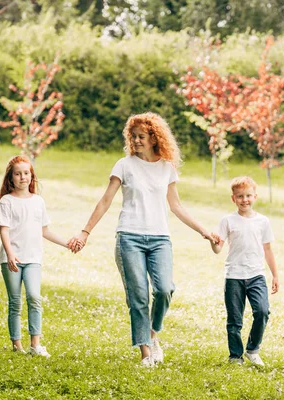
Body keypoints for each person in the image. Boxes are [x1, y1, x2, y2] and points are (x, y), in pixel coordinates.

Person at [69, 112, 216, 367]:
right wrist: (85, 231)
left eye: (141, 136)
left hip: (160, 238)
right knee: (138, 297)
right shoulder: (124, 165)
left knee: (164, 289)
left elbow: (176, 206)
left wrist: (203, 231)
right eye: (133, 136)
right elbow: (106, 200)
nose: (136, 141)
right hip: (130, 236)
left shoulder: (166, 168)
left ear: (154, 137)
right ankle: (146, 354)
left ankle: (152, 333)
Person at [0, 155, 69, 357]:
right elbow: (4, 230)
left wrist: (67, 243)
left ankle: (35, 345)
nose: (22, 177)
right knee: (15, 301)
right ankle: (17, 345)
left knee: (34, 297)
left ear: (31, 176)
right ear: (11, 178)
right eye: (18, 174)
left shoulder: (38, 202)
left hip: (33, 259)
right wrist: (10, 255)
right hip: (11, 260)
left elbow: (45, 231)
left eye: (26, 173)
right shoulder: (6, 202)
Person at [210, 176, 279, 367]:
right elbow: (218, 249)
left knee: (262, 311)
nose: (244, 200)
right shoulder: (227, 221)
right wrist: (212, 242)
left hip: (256, 275)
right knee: (234, 320)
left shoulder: (263, 221)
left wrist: (275, 275)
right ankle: (235, 356)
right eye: (240, 196)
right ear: (233, 198)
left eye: (248, 195)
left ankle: (253, 349)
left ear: (255, 196)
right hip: (234, 276)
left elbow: (268, 250)